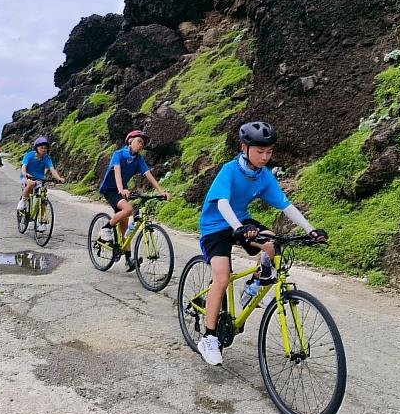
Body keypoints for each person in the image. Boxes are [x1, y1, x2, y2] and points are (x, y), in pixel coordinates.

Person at [195, 121, 326, 366]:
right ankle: (209, 337)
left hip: (242, 221)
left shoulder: (263, 176)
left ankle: (255, 285)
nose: (265, 157)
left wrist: (310, 229)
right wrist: (238, 228)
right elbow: (222, 203)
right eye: (260, 151)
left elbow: (285, 205)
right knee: (222, 278)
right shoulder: (229, 170)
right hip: (215, 226)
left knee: (271, 242)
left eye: (269, 151)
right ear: (244, 148)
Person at [98, 130, 171, 271]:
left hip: (122, 190)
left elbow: (148, 175)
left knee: (125, 225)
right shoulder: (118, 154)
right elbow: (117, 173)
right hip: (111, 189)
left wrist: (161, 191)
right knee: (129, 210)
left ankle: (128, 260)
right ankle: (106, 228)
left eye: (143, 144)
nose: (141, 145)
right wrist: (121, 190)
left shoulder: (138, 159)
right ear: (130, 140)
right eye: (139, 141)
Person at [17, 137, 64, 208]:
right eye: (41, 147)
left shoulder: (47, 158)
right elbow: (24, 166)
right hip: (27, 177)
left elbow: (52, 169)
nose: (43, 150)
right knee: (31, 184)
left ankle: (40, 213)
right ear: (36, 148)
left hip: (39, 179)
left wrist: (59, 178)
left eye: (45, 148)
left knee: (43, 194)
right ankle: (23, 201)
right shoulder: (29, 155)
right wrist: (25, 174)